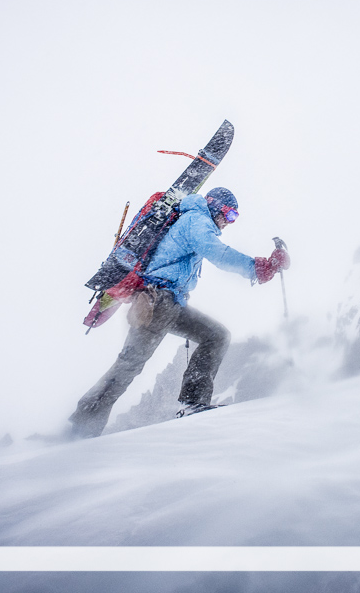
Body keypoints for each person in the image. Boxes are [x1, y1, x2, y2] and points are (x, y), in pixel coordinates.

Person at [68, 187, 290, 438]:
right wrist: (259, 268)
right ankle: (83, 424)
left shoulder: (195, 219)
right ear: (215, 206)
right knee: (130, 364)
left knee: (215, 336)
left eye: (234, 218)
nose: (229, 223)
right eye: (229, 215)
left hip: (170, 304)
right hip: (158, 303)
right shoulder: (197, 220)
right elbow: (217, 252)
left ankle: (193, 402)